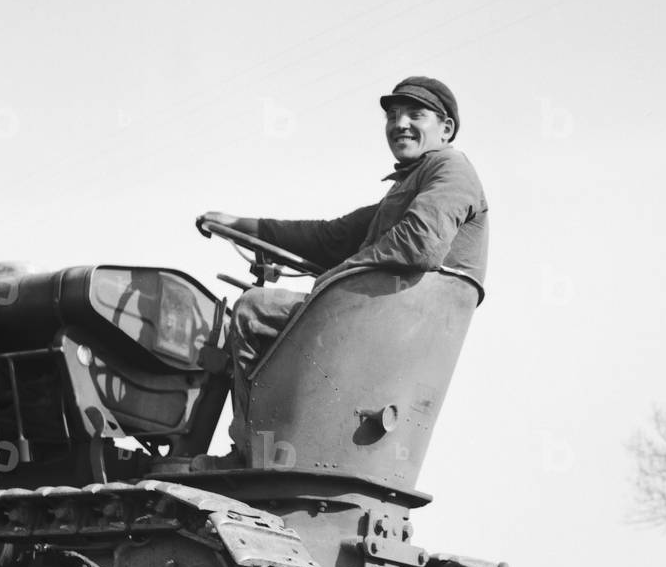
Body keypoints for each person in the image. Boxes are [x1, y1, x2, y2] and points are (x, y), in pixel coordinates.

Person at [195, 76, 488, 467]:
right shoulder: (412, 185)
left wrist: (332, 279)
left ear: (446, 128)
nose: (400, 124)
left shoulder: (450, 169)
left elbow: (420, 242)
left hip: (383, 324)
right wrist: (241, 224)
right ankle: (268, 445)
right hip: (382, 323)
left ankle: (252, 454)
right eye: (393, 116)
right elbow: (330, 236)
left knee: (252, 311)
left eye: (415, 114)